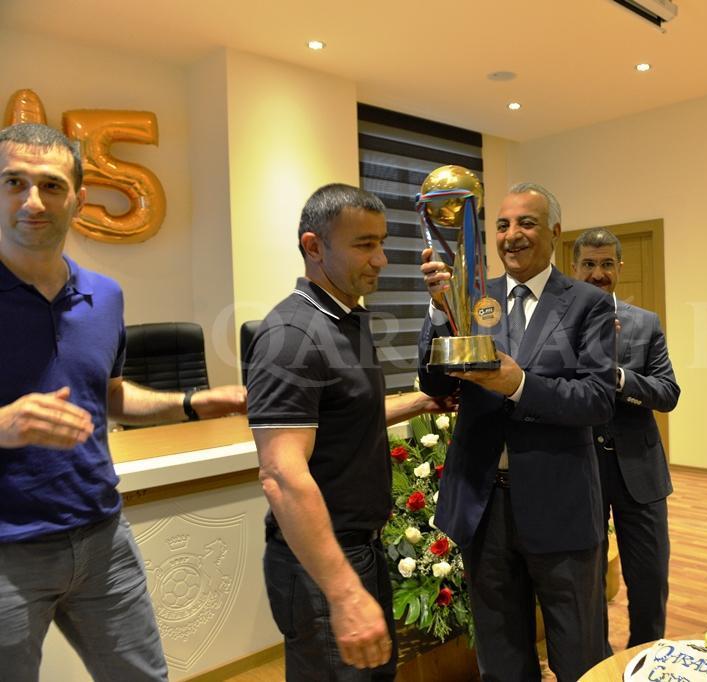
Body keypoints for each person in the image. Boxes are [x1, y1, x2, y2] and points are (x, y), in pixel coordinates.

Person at [0, 122, 246, 681]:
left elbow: (108, 394)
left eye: (52, 185)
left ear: (78, 199)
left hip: (101, 536)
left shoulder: (105, 296)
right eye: (14, 182)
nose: (33, 201)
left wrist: (194, 403)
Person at [246, 183, 449, 681]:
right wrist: (343, 591)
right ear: (314, 247)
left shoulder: (345, 318)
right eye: (364, 245)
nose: (381, 259)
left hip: (361, 548)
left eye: (381, 243)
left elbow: (347, 412)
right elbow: (281, 476)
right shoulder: (292, 335)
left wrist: (422, 401)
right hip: (322, 560)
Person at [418, 183, 618, 681]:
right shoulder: (474, 297)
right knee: (501, 658)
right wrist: (440, 308)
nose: (512, 235)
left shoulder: (588, 304)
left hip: (561, 506)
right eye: (503, 225)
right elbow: (434, 382)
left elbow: (597, 400)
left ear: (554, 231)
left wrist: (519, 384)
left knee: (580, 655)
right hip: (484, 507)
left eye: (526, 223)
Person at [569, 228, 680, 650]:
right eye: (589, 264)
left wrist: (617, 376)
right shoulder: (555, 327)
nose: (597, 273)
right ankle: (598, 663)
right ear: (574, 268)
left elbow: (668, 393)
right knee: (586, 582)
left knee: (650, 580)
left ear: (619, 267)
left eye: (606, 264)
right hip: (579, 469)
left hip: (640, 470)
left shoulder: (644, 323)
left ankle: (645, 660)